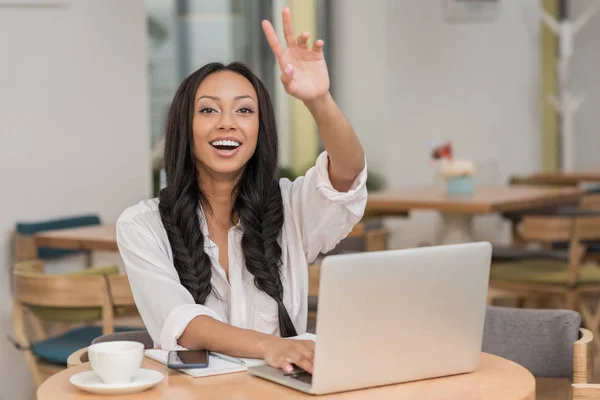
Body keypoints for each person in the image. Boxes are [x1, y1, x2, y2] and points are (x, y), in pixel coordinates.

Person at [116, 7, 366, 374]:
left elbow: (347, 171)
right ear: (185, 128)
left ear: (259, 129)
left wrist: (317, 99)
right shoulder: (142, 225)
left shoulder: (291, 208)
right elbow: (184, 325)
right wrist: (272, 347)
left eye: (244, 111)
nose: (227, 124)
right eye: (208, 111)